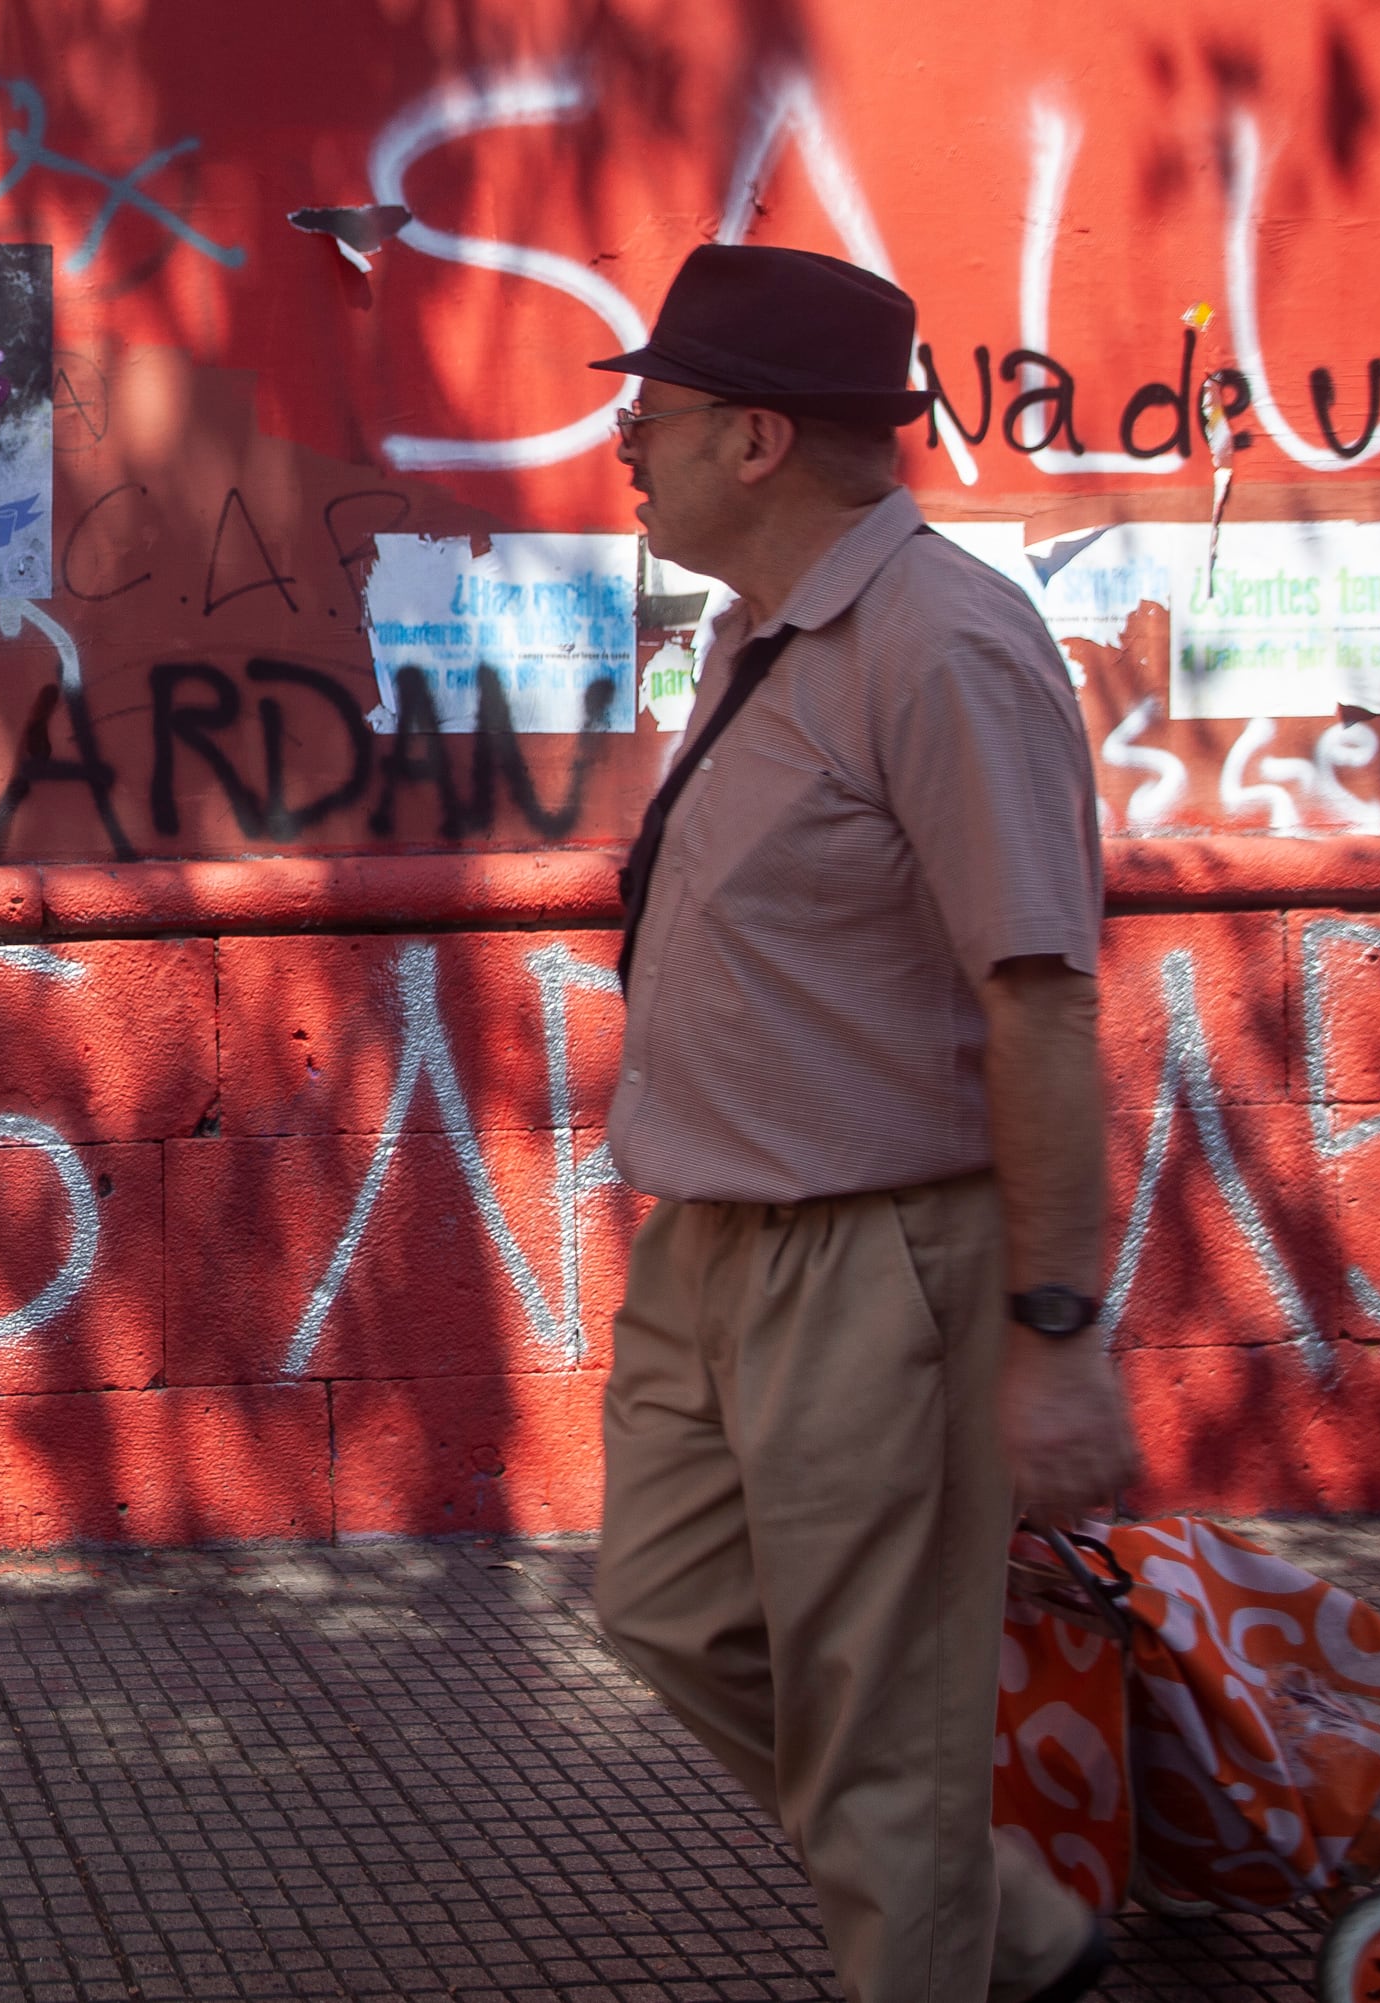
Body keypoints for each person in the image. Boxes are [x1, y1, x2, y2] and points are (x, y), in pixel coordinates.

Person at [587, 246, 1137, 2003]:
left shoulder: (945, 641)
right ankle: (1009, 1922)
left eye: (655, 411)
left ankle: (951, 1926)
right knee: (667, 1606)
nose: (625, 442)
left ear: (755, 440)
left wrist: (1056, 1330)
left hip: (880, 1260)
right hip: (712, 1242)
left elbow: (1041, 999)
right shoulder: (759, 632)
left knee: (884, 1726)